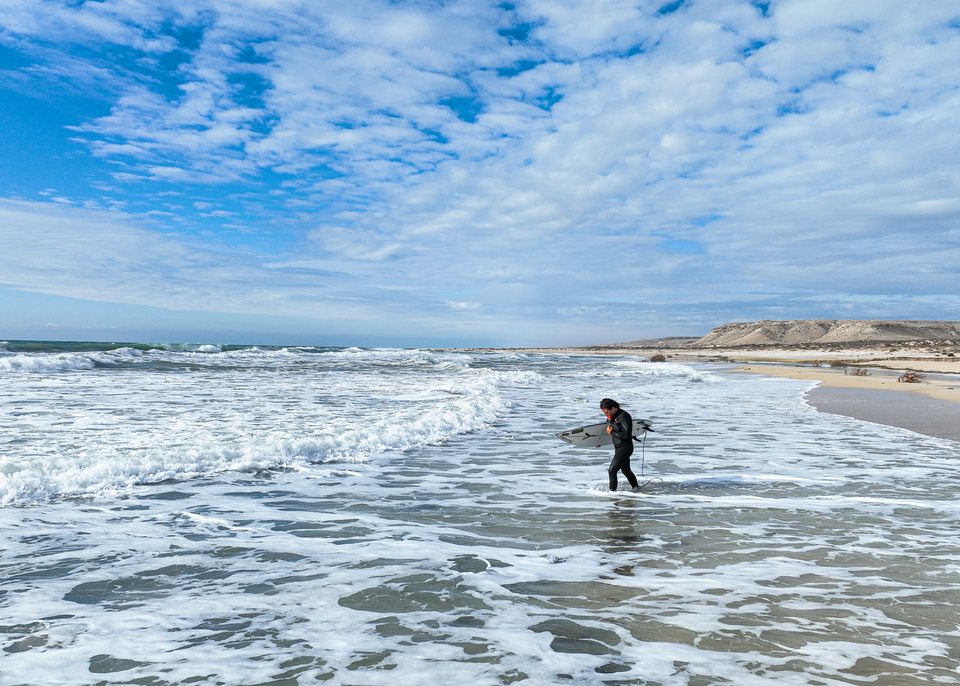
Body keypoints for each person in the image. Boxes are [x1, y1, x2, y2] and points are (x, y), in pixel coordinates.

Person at [600, 398, 638, 491]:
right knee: (626, 471)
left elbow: (626, 435)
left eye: (606, 412)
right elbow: (608, 430)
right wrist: (599, 442)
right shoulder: (611, 417)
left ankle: (612, 493)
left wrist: (612, 433)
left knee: (612, 470)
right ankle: (636, 488)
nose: (605, 414)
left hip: (625, 447)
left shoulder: (624, 416)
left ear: (613, 408)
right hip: (618, 447)